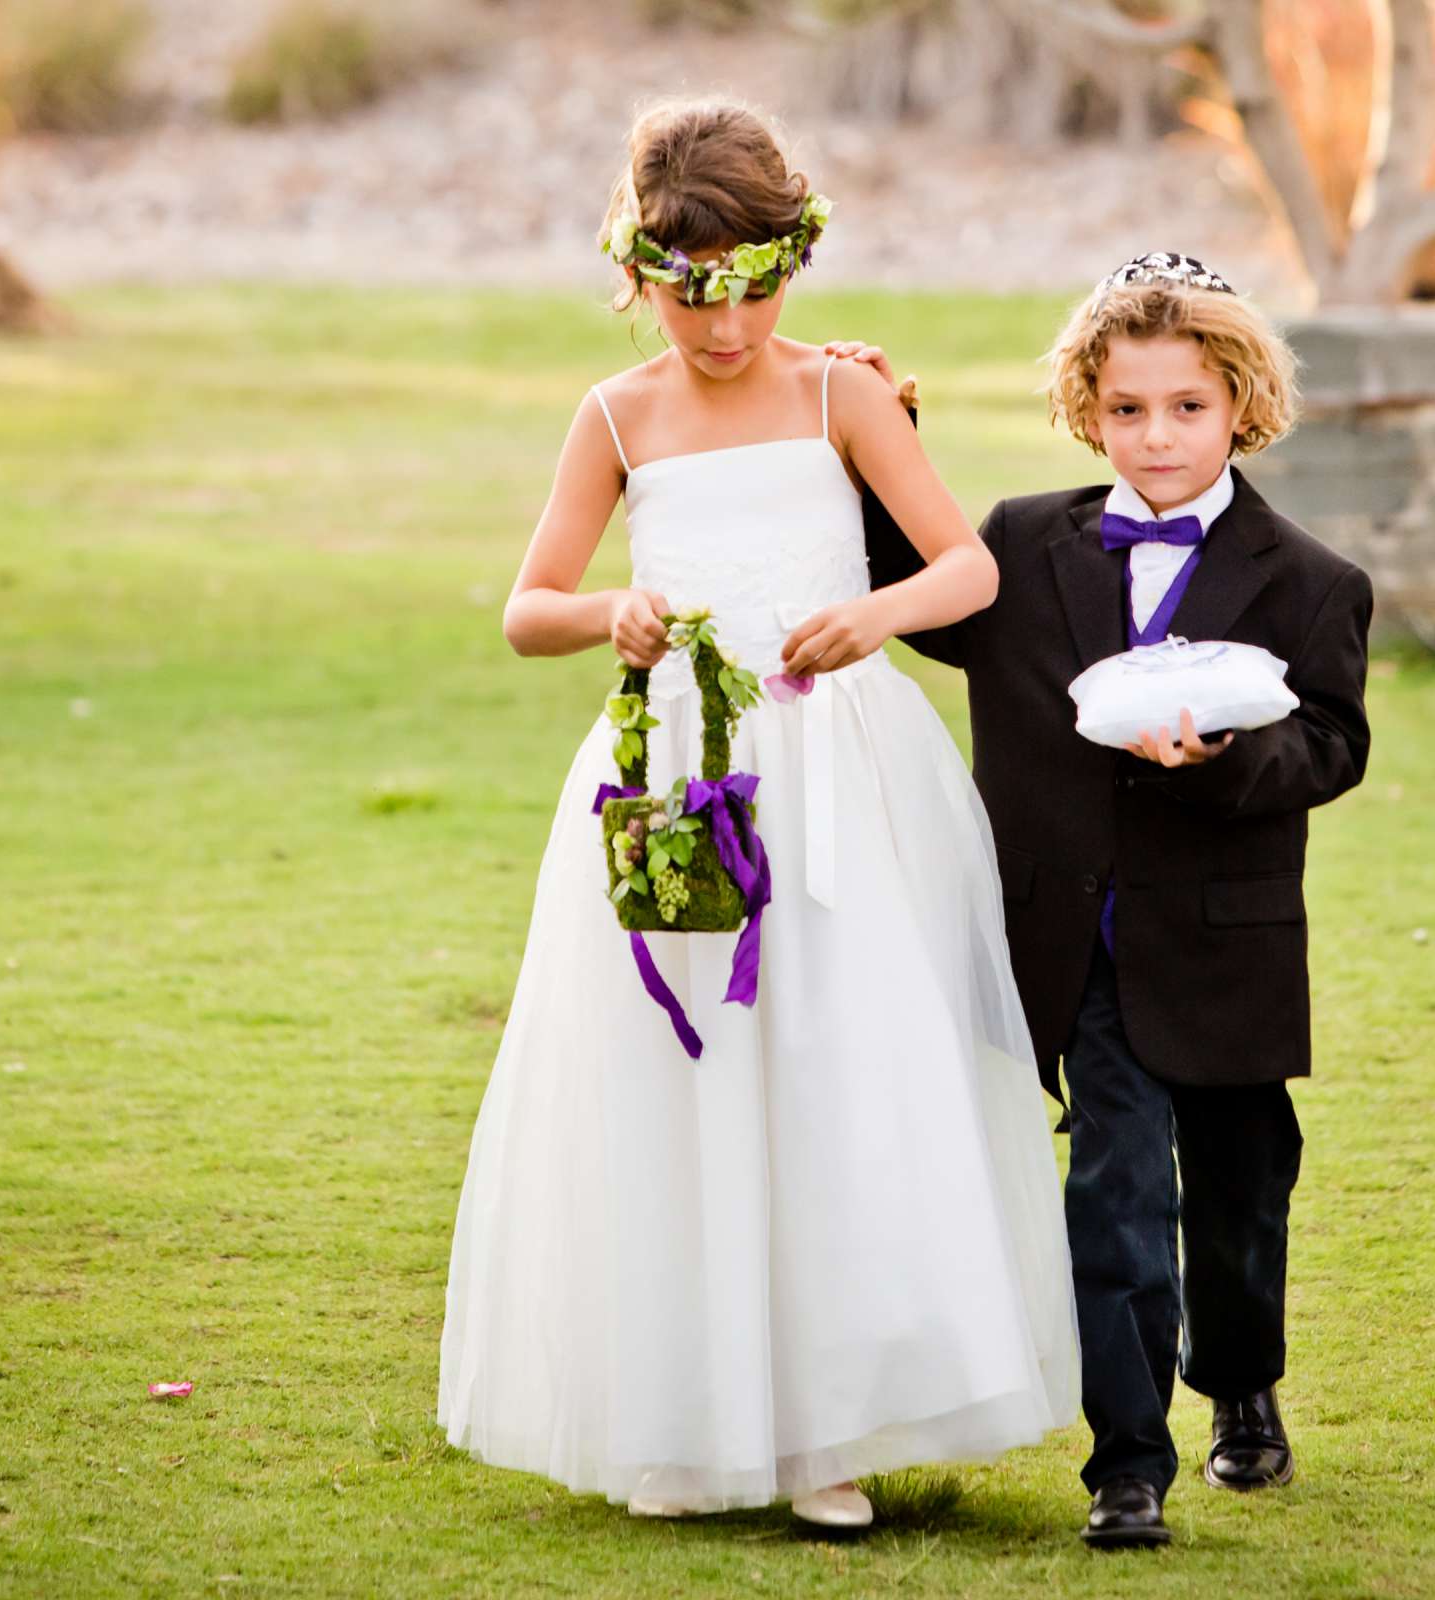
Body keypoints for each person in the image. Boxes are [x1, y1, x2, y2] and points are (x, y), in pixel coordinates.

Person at [436, 98, 1078, 1531]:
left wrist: (873, 613)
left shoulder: (841, 397)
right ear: (641, 277)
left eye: (753, 291)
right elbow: (527, 607)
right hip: (680, 776)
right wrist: (618, 611)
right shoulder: (614, 416)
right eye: (687, 296)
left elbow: (967, 570)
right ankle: (682, 1416)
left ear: (794, 264)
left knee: (835, 1071)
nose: (722, 332)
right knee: (682, 1083)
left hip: (835, 767)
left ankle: (824, 1434)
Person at [846, 253, 1372, 1548]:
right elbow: (920, 604)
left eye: (1187, 407)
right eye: (1128, 408)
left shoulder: (1310, 579)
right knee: (1116, 1198)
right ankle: (1126, 1465)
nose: (1157, 436)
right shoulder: (1023, 542)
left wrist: (1229, 757)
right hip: (1079, 949)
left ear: (1241, 405)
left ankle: (1242, 1383)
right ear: (1089, 409)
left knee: (1242, 1197)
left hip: (1230, 944)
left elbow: (1333, 747)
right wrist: (881, 444)